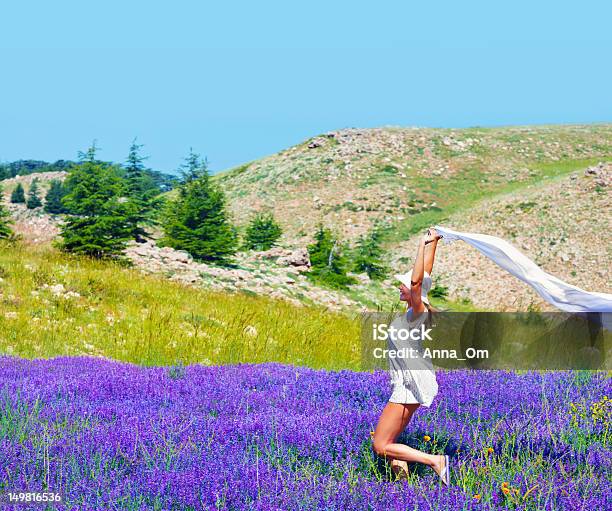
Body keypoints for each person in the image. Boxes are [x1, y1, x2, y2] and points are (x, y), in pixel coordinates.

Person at [371, 227, 450, 485]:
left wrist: (420, 245)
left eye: (402, 285)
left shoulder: (417, 313)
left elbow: (418, 282)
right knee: (389, 443)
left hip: (409, 386)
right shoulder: (413, 312)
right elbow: (424, 277)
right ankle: (403, 490)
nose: (399, 288)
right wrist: (433, 242)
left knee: (381, 445)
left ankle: (435, 461)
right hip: (408, 383)